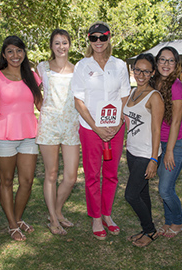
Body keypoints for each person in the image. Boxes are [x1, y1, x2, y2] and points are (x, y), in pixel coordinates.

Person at [71, 22, 130, 240]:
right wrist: (96, 127)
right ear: (89, 39)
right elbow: (78, 100)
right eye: (93, 38)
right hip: (90, 128)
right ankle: (96, 217)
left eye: (102, 37)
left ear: (108, 38)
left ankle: (107, 214)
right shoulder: (81, 66)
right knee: (93, 174)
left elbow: (125, 96)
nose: (98, 42)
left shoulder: (120, 65)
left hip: (115, 128)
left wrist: (117, 124)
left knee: (112, 174)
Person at [0, 36, 42, 241]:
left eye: (19, 51)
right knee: (6, 180)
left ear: (24, 53)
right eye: (10, 51)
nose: (15, 55)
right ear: (4, 55)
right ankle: (13, 225)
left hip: (29, 134)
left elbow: (41, 104)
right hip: (4, 135)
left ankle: (17, 218)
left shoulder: (32, 76)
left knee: (27, 181)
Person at [36, 29, 80, 235]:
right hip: (49, 126)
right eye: (57, 43)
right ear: (51, 46)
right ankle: (53, 219)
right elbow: (33, 91)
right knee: (51, 174)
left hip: (72, 125)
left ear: (69, 44)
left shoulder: (78, 69)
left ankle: (58, 211)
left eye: (64, 42)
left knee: (71, 177)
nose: (61, 47)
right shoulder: (42, 67)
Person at [123, 53, 164, 247]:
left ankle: (150, 230)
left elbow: (157, 129)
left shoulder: (154, 96)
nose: (141, 74)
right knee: (142, 193)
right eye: (137, 69)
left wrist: (154, 159)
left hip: (146, 154)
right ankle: (147, 229)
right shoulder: (132, 92)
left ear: (152, 73)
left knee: (131, 195)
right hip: (132, 151)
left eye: (146, 71)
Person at [151, 47, 182, 238]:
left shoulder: (177, 86)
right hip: (160, 142)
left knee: (165, 189)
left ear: (176, 64)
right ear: (156, 63)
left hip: (176, 143)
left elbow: (175, 121)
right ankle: (168, 221)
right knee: (166, 187)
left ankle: (179, 221)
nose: (166, 64)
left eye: (170, 60)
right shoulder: (155, 82)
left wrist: (170, 150)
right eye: (162, 60)